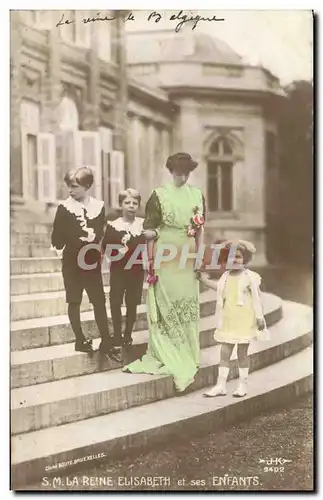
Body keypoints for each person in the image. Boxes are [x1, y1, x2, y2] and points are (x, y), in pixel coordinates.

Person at [123, 152, 206, 393]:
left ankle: (188, 352)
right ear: (171, 171)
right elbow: (149, 230)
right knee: (167, 302)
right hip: (165, 253)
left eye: (187, 172)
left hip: (188, 255)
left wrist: (200, 256)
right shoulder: (159, 195)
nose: (182, 176)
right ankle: (167, 351)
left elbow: (200, 229)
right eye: (178, 172)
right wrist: (150, 260)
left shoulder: (197, 194)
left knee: (186, 303)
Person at [51, 167, 120, 362]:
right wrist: (70, 245)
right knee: (74, 300)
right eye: (69, 187)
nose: (70, 191)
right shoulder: (64, 208)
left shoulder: (98, 206)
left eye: (75, 187)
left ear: (87, 186)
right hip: (72, 259)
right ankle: (80, 339)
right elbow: (57, 236)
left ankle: (106, 341)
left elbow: (100, 230)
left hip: (90, 260)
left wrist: (93, 239)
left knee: (98, 300)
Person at [196, 240, 270, 397]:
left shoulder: (250, 277)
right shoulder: (225, 276)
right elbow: (219, 288)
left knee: (242, 353)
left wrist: (259, 317)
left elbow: (257, 298)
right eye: (230, 258)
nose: (234, 260)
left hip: (244, 319)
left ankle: (243, 385)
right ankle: (221, 385)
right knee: (224, 352)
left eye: (237, 257)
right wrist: (203, 280)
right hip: (228, 319)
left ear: (245, 259)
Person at [102, 188, 155, 347]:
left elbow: (154, 238)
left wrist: (154, 234)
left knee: (132, 303)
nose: (131, 206)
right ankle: (117, 334)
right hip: (118, 269)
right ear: (121, 205)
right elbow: (106, 247)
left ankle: (127, 335)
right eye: (127, 203)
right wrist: (117, 251)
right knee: (115, 301)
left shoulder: (143, 224)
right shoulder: (113, 225)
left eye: (134, 203)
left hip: (136, 270)